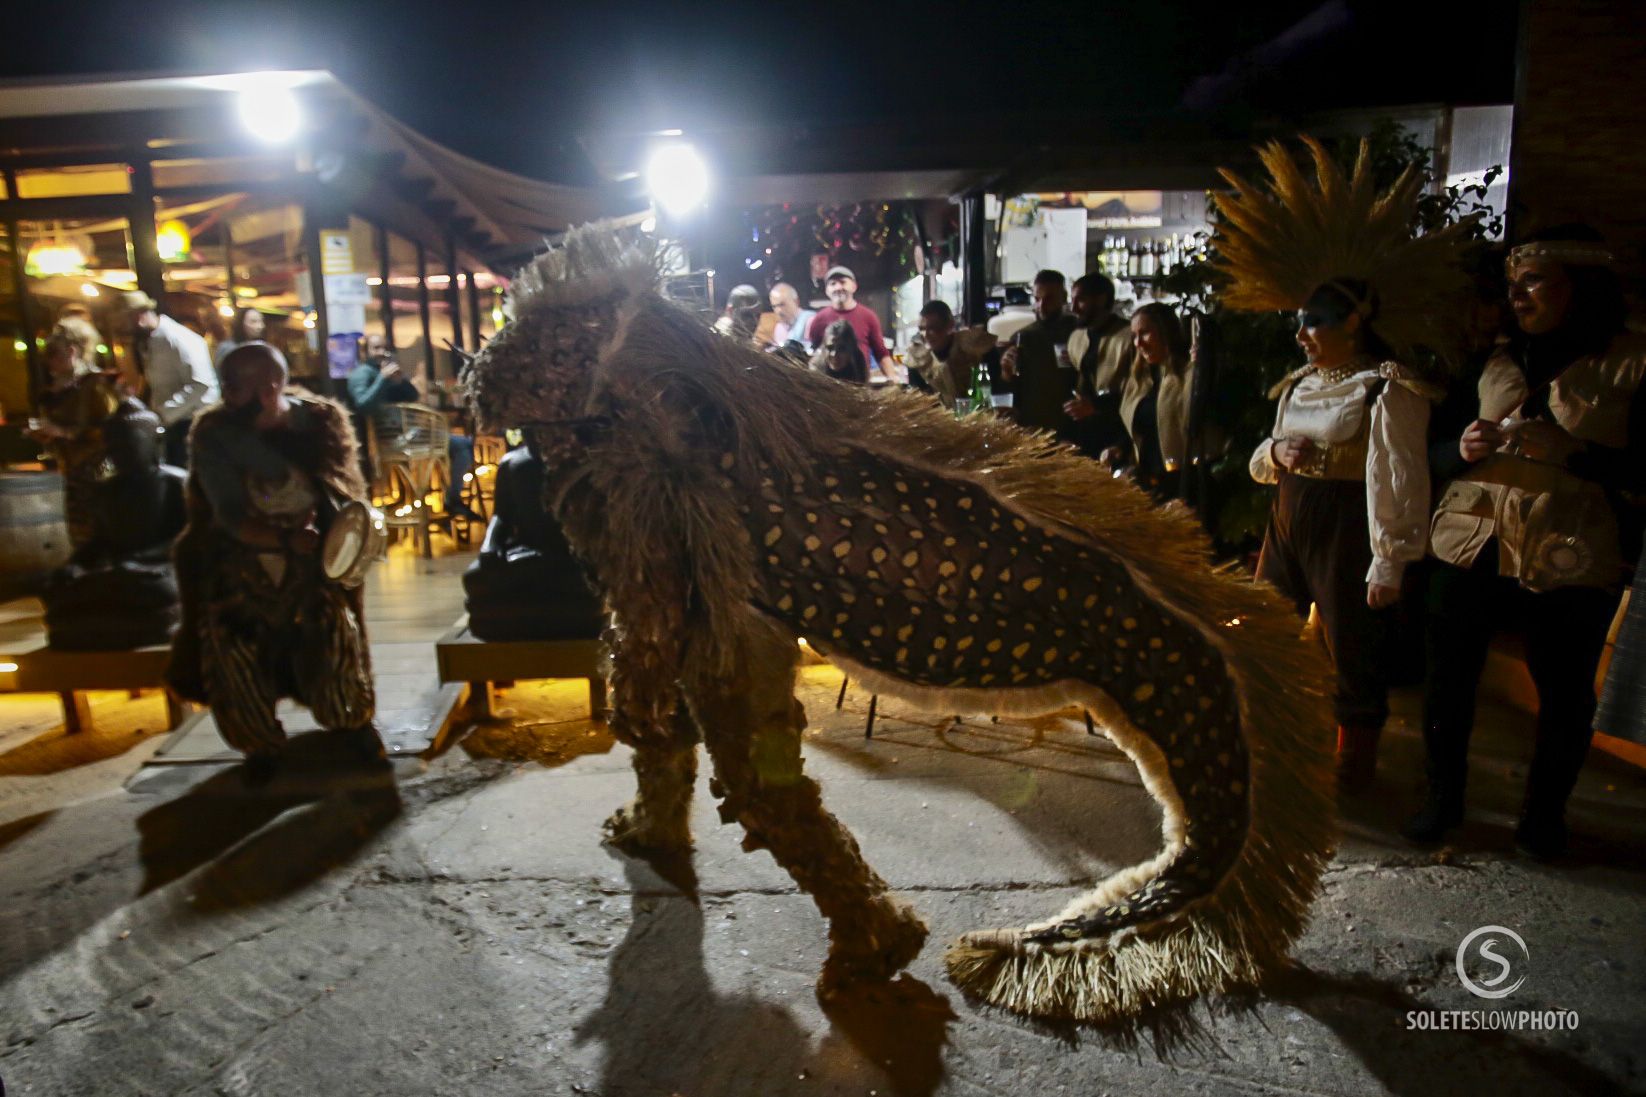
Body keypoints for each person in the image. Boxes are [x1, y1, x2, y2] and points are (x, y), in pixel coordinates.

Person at [1215, 137, 1475, 794]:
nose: (1302, 335)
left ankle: (1352, 761)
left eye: (1315, 324)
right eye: (1299, 325)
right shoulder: (1301, 384)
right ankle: (1268, 739)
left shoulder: (1389, 387)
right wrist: (1277, 452)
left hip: (1346, 526)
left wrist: (1389, 558)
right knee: (1266, 630)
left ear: (1354, 323)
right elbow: (1258, 457)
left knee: (1352, 648)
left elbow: (1400, 479)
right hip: (1289, 516)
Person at [1406, 227, 1644, 856]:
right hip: (1469, 545)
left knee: (1564, 690)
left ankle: (1543, 819)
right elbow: (1426, 450)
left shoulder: (1631, 365)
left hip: (1566, 553)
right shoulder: (1494, 360)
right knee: (1447, 679)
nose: (1518, 297)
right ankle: (1442, 801)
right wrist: (1458, 448)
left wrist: (1580, 456)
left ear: (1582, 287)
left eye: (1534, 282)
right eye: (1512, 286)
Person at [166, 343, 379, 779]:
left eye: (236, 386)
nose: (227, 394)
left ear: (270, 387)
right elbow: (224, 512)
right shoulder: (215, 432)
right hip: (240, 563)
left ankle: (349, 722)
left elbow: (344, 486)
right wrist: (279, 536)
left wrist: (332, 532)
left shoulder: (319, 422)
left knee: (335, 635)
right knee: (234, 646)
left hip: (313, 564)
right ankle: (258, 745)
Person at [347, 333, 479, 521]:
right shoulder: (361, 374)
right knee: (461, 444)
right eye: (375, 348)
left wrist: (401, 382)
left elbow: (412, 396)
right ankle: (452, 501)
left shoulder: (388, 371)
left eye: (384, 347)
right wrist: (383, 379)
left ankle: (452, 499)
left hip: (413, 436)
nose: (382, 352)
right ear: (365, 352)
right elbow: (363, 405)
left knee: (464, 444)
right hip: (393, 440)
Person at [26, 319, 121, 548]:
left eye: (54, 356)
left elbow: (112, 429)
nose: (50, 364)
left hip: (98, 471)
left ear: (71, 352)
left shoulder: (96, 385)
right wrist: (48, 434)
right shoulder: (59, 390)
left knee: (102, 531)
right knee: (81, 534)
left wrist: (63, 432)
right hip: (73, 471)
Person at [120, 290, 219, 467]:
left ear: (139, 315)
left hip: (191, 425)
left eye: (125, 320)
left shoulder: (178, 338)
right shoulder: (151, 340)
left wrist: (162, 414)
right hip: (174, 423)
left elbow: (201, 383)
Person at [1115, 303, 1196, 500]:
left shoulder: (1185, 374)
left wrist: (1197, 369)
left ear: (1166, 333)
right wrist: (1121, 449)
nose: (1138, 343)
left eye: (1144, 333)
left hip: (1183, 482)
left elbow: (1190, 417)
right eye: (1134, 336)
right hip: (1148, 482)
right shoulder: (1140, 379)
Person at [1063, 272, 1134, 458]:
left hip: (1117, 433)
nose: (1074, 308)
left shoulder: (1128, 337)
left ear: (1101, 300)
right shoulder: (1077, 337)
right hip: (1084, 433)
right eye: (1073, 300)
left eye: (1081, 300)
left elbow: (1136, 391)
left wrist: (1096, 405)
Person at [999, 270, 1078, 433]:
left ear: (1063, 297)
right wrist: (1006, 372)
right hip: (1032, 428)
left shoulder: (1079, 332)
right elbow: (1011, 386)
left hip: (1072, 427)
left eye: (1049, 299)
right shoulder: (1022, 337)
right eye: (1037, 299)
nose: (1041, 305)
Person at [903, 300, 998, 408]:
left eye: (933, 328)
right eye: (922, 329)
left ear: (950, 325)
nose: (926, 335)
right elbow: (918, 401)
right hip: (939, 421)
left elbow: (996, 386)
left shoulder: (976, 347)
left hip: (979, 415)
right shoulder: (918, 359)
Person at [806, 266, 891, 382]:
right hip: (827, 385)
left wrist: (894, 379)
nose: (838, 287)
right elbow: (813, 353)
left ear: (854, 286)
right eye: (833, 284)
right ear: (827, 290)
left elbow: (880, 352)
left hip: (858, 382)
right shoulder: (818, 319)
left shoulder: (868, 316)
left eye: (843, 282)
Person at [811, 319, 869, 384]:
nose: (834, 354)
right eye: (830, 348)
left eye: (841, 349)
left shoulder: (858, 363)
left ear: (852, 349)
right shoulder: (815, 369)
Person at [767, 283, 814, 353]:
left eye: (782, 304)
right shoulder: (779, 328)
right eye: (774, 306)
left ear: (796, 301)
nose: (778, 310)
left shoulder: (811, 321)